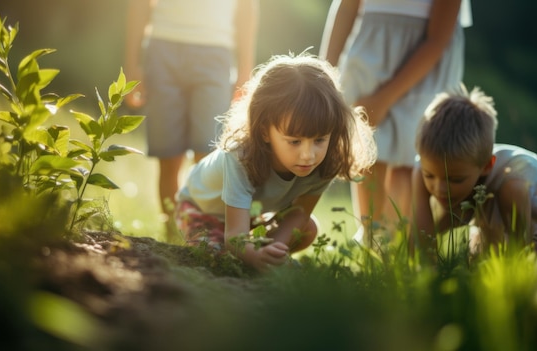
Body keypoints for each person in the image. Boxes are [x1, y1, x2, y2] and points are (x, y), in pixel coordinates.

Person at [173, 53, 377, 271]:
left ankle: (260, 263)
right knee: (218, 256)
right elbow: (235, 237)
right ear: (264, 131)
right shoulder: (239, 157)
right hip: (201, 211)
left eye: (319, 139)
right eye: (294, 141)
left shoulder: (326, 162)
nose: (308, 155)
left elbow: (299, 214)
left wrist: (273, 250)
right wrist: (253, 254)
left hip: (250, 218)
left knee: (307, 229)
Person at [319, 0, 472, 241]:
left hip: (423, 62)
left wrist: (384, 98)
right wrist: (324, 71)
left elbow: (437, 40)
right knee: (367, 150)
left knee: (409, 158)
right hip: (371, 48)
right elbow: (347, 7)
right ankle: (371, 239)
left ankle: (400, 245)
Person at [123, 0, 259, 237]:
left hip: (216, 52)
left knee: (209, 154)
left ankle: (204, 235)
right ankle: (173, 235)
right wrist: (131, 62)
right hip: (162, 48)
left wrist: (246, 68)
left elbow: (246, 7)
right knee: (168, 157)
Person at [411, 84, 537, 260]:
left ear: (488, 165)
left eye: (455, 179)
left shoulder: (513, 180)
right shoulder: (426, 168)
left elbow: (521, 245)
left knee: (508, 199)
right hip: (490, 217)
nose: (440, 187)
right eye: (430, 176)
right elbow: (418, 243)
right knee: (448, 223)